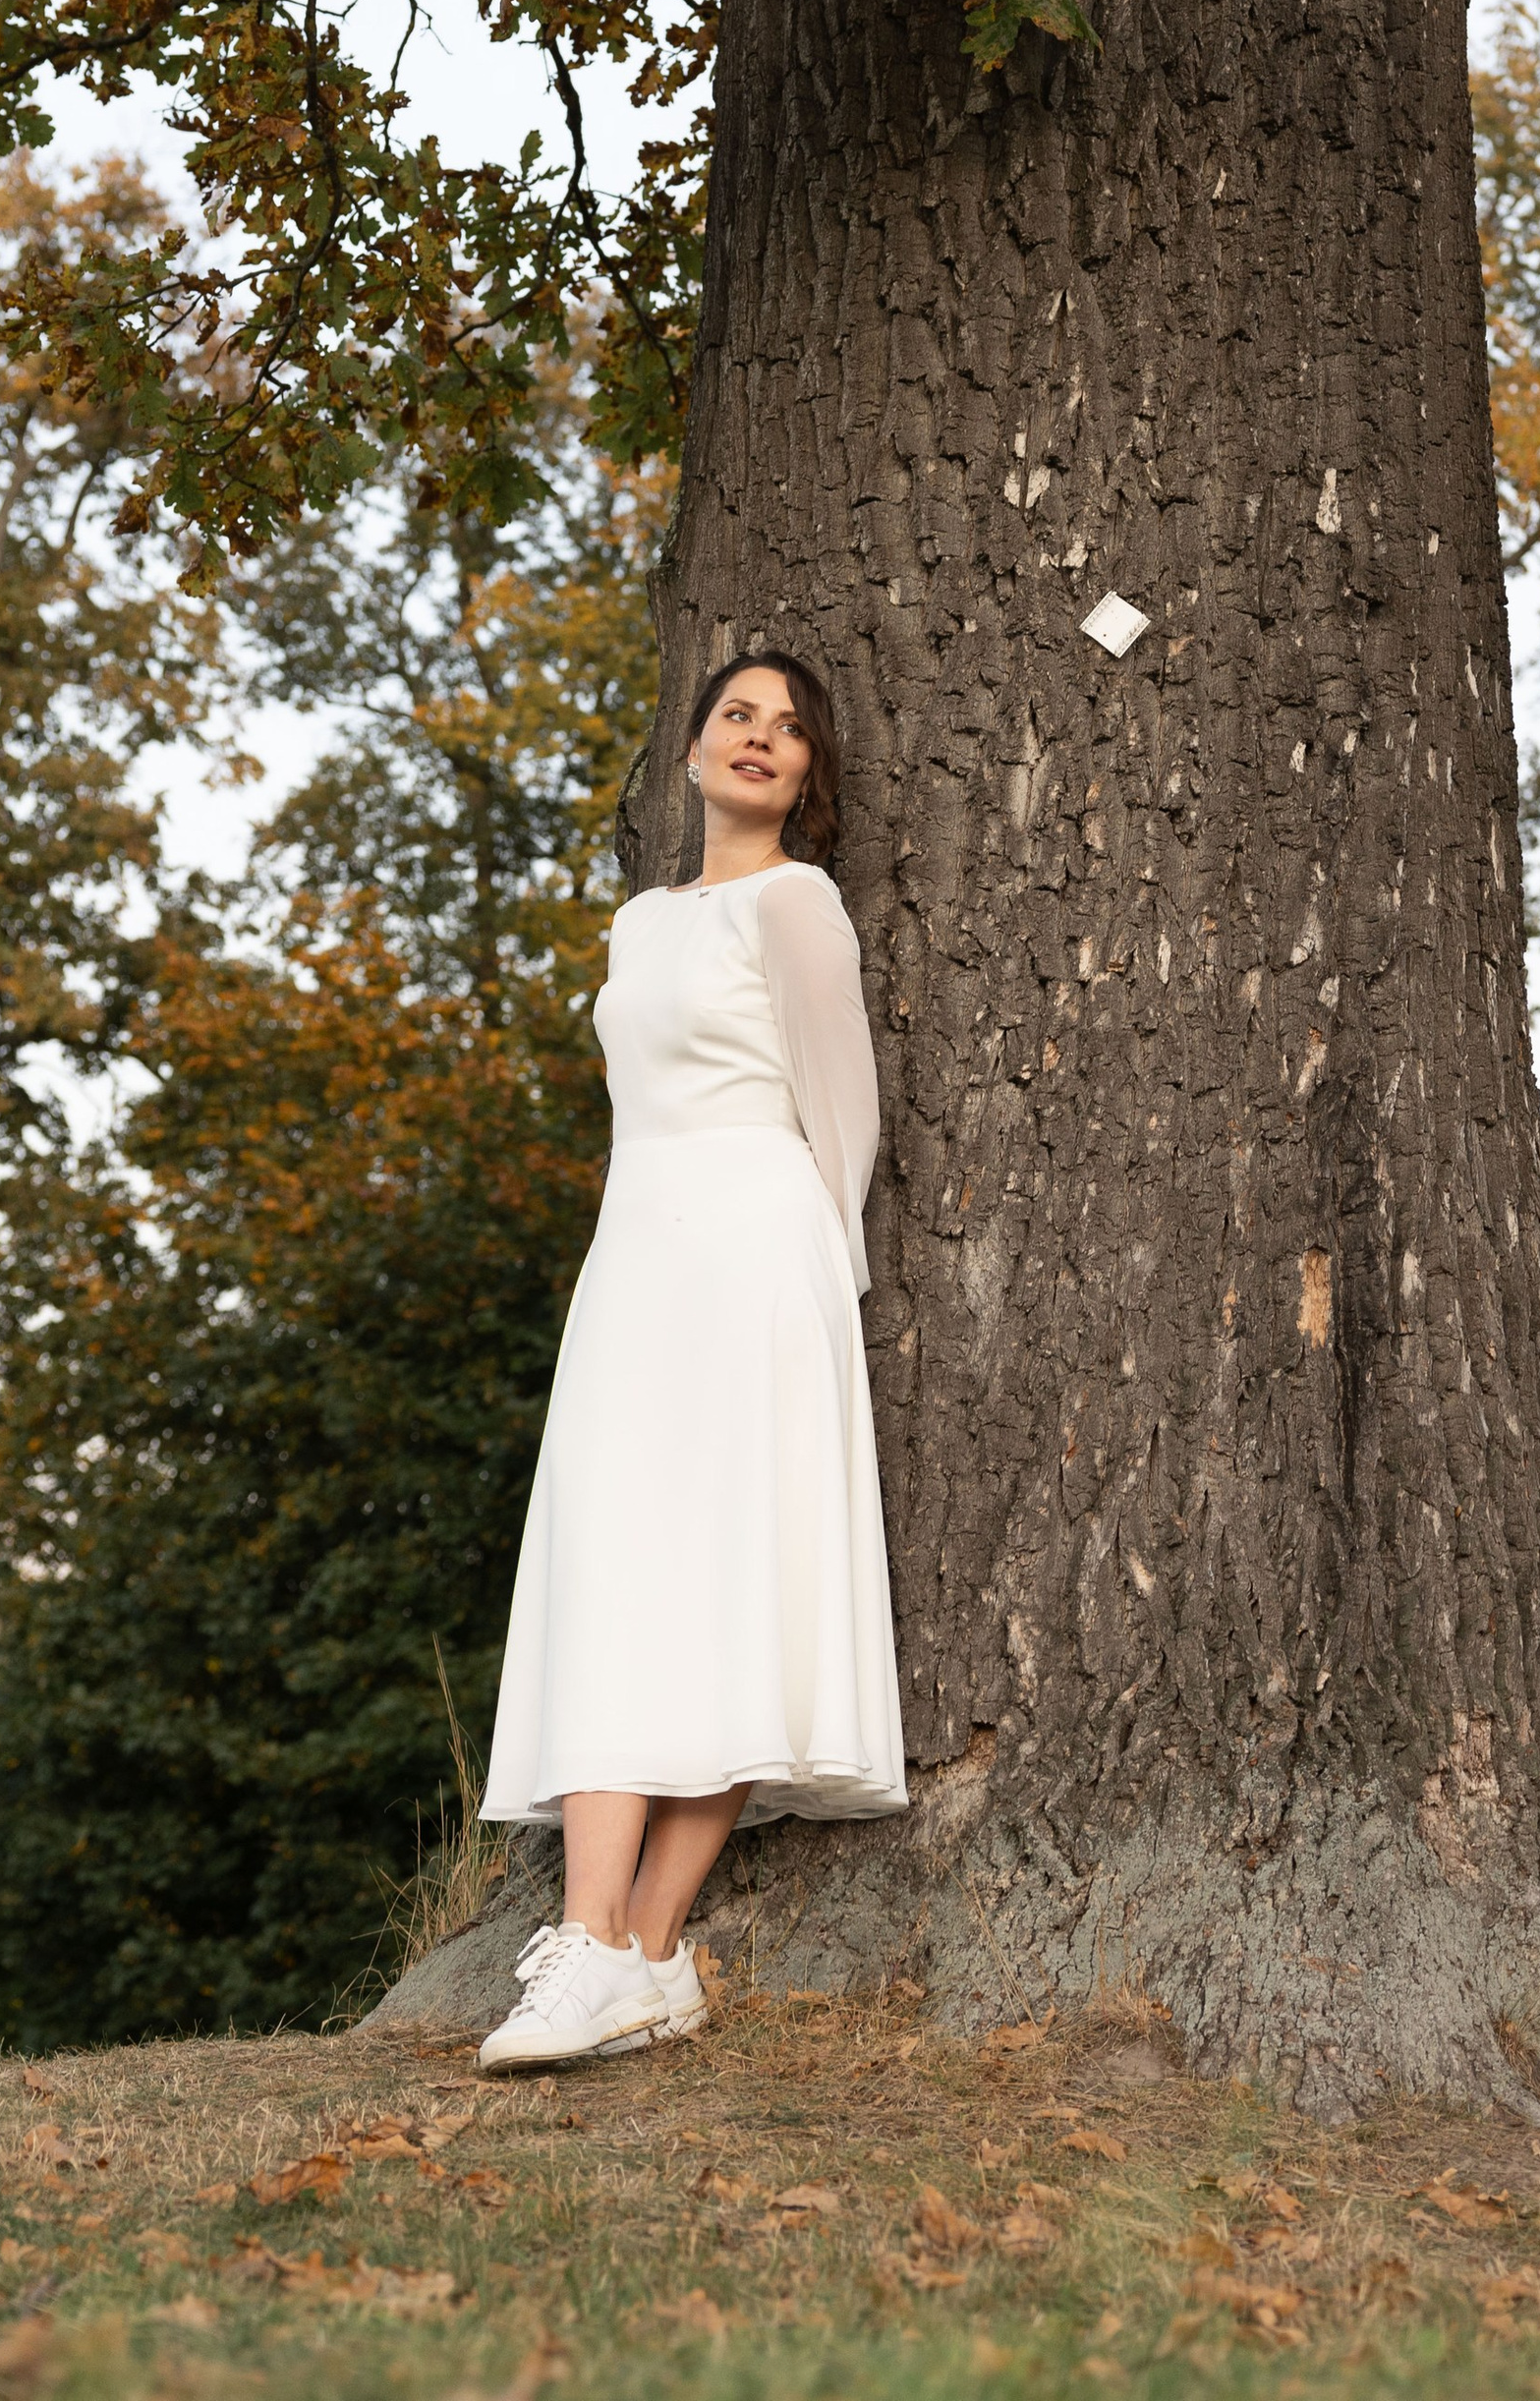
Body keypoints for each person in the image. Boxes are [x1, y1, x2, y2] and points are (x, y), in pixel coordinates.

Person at [475, 652, 905, 2068]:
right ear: (694, 749)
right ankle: (618, 1955)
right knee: (616, 1573)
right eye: (737, 717)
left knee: (734, 1588)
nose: (760, 739)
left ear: (809, 773)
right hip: (636, 1255)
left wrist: (815, 1282)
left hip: (756, 1253)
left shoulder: (797, 904)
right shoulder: (640, 922)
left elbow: (843, 1115)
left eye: (789, 729)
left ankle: (633, 1945)